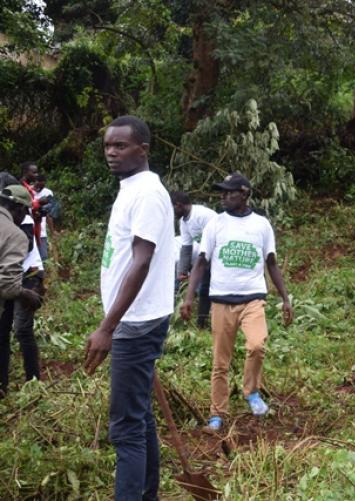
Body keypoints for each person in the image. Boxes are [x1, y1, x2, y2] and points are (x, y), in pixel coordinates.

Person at [83, 115, 174, 501]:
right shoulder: (130, 188)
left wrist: (108, 327)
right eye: (107, 145)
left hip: (135, 324)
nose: (111, 152)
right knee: (140, 416)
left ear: (144, 149)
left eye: (120, 145)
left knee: (124, 428)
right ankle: (148, 495)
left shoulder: (147, 194)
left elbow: (141, 260)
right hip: (134, 320)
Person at [180, 172, 293, 431]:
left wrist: (286, 299)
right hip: (221, 301)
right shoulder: (215, 224)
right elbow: (201, 262)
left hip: (253, 298)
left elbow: (272, 263)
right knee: (221, 362)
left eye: (229, 192)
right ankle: (217, 414)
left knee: (256, 345)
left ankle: (251, 391)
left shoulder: (261, 225)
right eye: (222, 192)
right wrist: (189, 298)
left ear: (244, 194)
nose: (223, 196)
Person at [0, 185, 43, 397]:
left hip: (29, 274)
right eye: (24, 211)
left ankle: (30, 380)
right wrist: (26, 293)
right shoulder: (14, 234)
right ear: (16, 209)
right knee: (13, 331)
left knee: (13, 330)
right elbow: (7, 285)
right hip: (15, 282)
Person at [171, 191, 217, 328]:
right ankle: (201, 324)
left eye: (171, 208)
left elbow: (218, 237)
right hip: (206, 257)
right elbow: (186, 248)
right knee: (204, 289)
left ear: (178, 205)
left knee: (216, 290)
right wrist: (182, 272)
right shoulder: (184, 222)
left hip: (219, 255)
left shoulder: (202, 215)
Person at [33, 174, 56, 261]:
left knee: (43, 257)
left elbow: (49, 214)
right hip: (29, 230)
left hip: (41, 231)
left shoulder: (48, 193)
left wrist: (52, 231)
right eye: (37, 185)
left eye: (42, 186)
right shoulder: (29, 191)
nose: (39, 188)